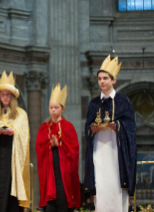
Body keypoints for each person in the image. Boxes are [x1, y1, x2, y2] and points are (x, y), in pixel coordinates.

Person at [84, 55, 137, 212]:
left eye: (105, 78)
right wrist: (91, 129)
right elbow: (87, 128)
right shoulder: (94, 103)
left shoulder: (123, 101)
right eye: (99, 78)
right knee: (101, 189)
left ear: (114, 80)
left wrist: (117, 125)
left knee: (116, 190)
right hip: (99, 152)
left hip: (117, 155)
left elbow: (131, 128)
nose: (102, 81)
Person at [0, 71, 30, 212]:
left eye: (8, 95)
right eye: (3, 95)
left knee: (11, 187)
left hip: (12, 155)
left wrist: (15, 132)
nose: (5, 97)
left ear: (12, 96)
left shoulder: (21, 114)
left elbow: (25, 135)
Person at [36, 84, 80, 212]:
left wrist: (60, 144)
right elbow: (39, 147)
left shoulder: (68, 127)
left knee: (62, 196)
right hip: (49, 168)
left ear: (63, 108)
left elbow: (74, 149)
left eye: (56, 107)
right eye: (51, 108)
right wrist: (50, 145)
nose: (53, 110)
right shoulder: (44, 127)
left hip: (63, 170)